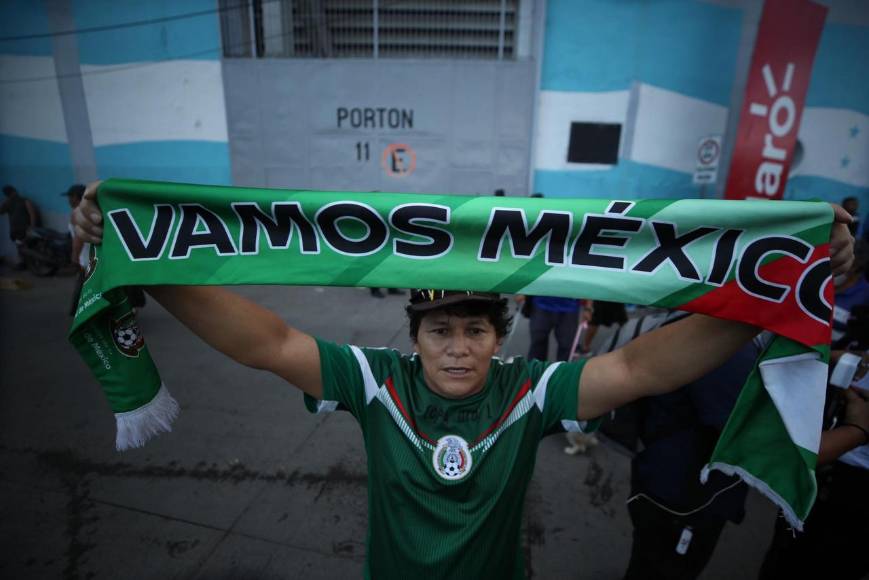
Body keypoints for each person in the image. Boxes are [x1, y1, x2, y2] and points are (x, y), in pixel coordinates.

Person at [72, 182, 856, 578]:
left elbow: (640, 364)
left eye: (475, 329)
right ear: (411, 338)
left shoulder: (526, 390)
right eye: (439, 330)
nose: (457, 348)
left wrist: (773, 294)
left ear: (497, 335)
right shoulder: (373, 380)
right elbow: (267, 342)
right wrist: (142, 258)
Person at [1, 184, 38, 269]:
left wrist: (32, 227)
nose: (12, 195)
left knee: (28, 246)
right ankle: (24, 263)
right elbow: (1, 211)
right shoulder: (8, 203)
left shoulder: (24, 201)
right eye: (9, 194)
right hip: (15, 230)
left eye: (11, 193)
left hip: (25, 229)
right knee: (20, 246)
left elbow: (32, 214)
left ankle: (30, 263)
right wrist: (6, 202)